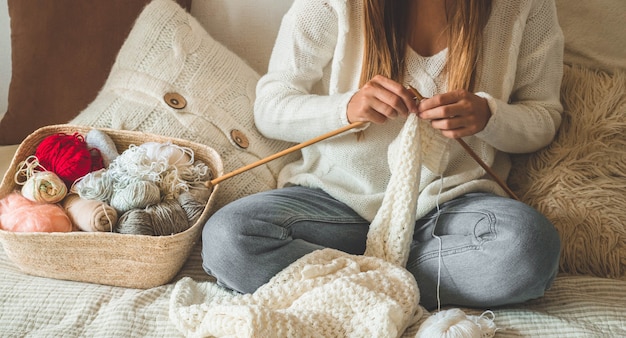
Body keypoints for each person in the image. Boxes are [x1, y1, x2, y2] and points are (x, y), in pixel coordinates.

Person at [202, 0, 564, 310]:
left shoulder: (522, 6)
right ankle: (394, 285)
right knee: (228, 239)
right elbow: (270, 106)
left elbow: (544, 117)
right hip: (335, 200)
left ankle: (349, 283)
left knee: (529, 248)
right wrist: (349, 109)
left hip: (449, 206)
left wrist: (489, 116)